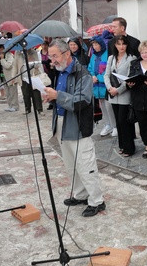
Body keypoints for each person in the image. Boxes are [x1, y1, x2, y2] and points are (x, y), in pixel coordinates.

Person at [43, 38, 105, 217]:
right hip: (62, 123)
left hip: (77, 126)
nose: (52, 60)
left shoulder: (82, 74)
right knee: (70, 164)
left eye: (55, 56)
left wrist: (58, 96)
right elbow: (61, 97)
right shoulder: (60, 72)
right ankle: (80, 194)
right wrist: (51, 97)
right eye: (50, 56)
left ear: (67, 54)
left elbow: (82, 101)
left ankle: (97, 201)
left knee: (85, 164)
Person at [105, 35, 137, 157]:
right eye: (118, 44)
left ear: (127, 45)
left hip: (124, 94)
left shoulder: (131, 58)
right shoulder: (111, 58)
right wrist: (110, 88)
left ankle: (130, 148)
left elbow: (130, 77)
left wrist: (118, 90)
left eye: (123, 44)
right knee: (118, 122)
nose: (121, 46)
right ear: (115, 45)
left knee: (124, 121)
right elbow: (106, 75)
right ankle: (122, 145)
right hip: (112, 94)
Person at [88, 35, 115, 136]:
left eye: (96, 44)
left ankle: (114, 125)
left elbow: (108, 69)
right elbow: (90, 67)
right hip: (96, 86)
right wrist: (93, 76)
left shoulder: (107, 54)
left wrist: (98, 77)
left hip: (105, 85)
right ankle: (107, 124)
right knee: (102, 106)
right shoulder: (94, 56)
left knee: (109, 106)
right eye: (93, 44)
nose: (95, 46)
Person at [14, 46, 44, 115]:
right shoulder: (18, 53)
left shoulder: (34, 52)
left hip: (33, 75)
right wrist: (14, 76)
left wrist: (32, 61)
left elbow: (38, 64)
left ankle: (39, 109)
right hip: (23, 76)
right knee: (25, 94)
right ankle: (27, 109)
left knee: (36, 93)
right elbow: (15, 65)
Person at [0, 46, 20, 112]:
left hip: (10, 76)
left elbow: (8, 65)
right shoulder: (1, 56)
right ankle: (10, 105)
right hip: (4, 76)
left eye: (0, 48)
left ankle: (15, 106)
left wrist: (2, 59)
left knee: (13, 92)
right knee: (7, 92)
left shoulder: (9, 55)